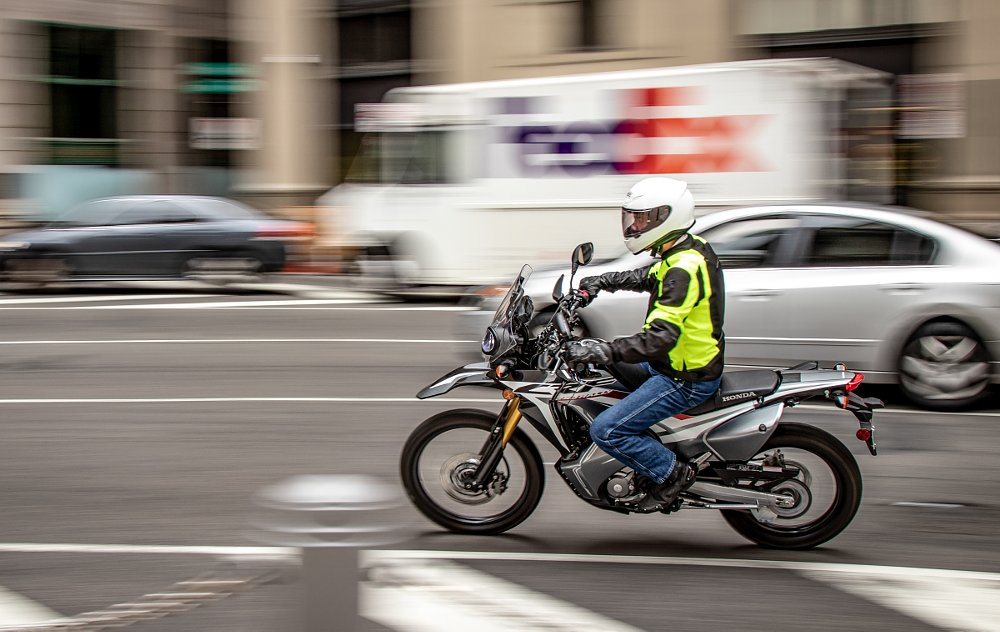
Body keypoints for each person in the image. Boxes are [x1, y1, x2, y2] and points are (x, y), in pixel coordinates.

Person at [565, 176, 725, 509]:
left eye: (642, 218)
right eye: (633, 218)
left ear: (667, 217)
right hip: (678, 364)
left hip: (684, 378)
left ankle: (672, 472)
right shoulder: (685, 248)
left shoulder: (684, 267)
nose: (634, 225)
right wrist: (600, 281)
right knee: (608, 369)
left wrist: (601, 348)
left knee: (608, 430)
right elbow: (647, 277)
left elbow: (659, 339)